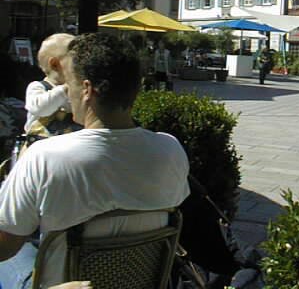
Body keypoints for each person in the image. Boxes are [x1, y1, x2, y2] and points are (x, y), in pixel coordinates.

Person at [0, 33, 190, 288]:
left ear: (87, 90)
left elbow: (4, 248)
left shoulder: (44, 156)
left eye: (69, 86)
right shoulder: (171, 149)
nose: (68, 96)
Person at [23, 33, 75, 138]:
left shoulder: (75, 89)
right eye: (76, 61)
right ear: (55, 64)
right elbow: (40, 109)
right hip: (38, 142)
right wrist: (64, 90)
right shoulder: (37, 87)